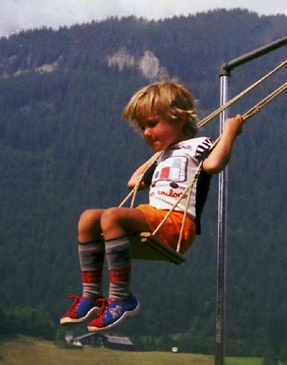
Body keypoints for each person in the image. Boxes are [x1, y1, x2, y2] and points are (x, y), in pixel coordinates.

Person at [59, 79, 243, 332]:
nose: (146, 133)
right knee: (88, 218)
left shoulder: (198, 145)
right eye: (142, 127)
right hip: (153, 217)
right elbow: (134, 182)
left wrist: (230, 132)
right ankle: (91, 293)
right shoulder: (163, 156)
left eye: (152, 124)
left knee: (112, 217)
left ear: (178, 118)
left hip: (176, 224)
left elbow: (213, 165)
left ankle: (121, 298)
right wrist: (158, 155)